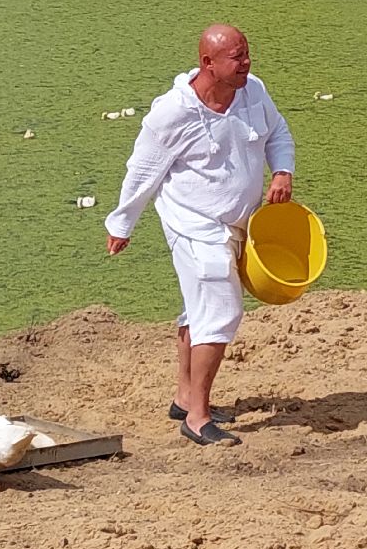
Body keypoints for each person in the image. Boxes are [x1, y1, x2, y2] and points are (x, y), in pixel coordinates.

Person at [104, 24, 295, 447]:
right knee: (221, 308)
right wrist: (122, 224)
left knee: (199, 308)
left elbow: (278, 132)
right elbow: (143, 171)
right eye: (237, 57)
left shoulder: (253, 91)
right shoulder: (172, 113)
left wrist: (282, 170)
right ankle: (197, 418)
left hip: (239, 223)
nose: (247, 63)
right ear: (208, 63)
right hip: (193, 223)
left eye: (247, 54)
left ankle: (185, 398)